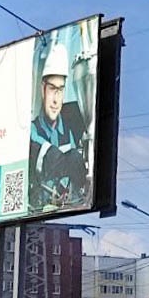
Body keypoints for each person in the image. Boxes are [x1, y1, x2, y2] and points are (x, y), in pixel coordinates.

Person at [29, 43, 90, 214]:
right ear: (42, 89)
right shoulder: (32, 131)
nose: (56, 100)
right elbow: (54, 160)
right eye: (52, 89)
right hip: (37, 205)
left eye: (60, 90)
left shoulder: (73, 124)